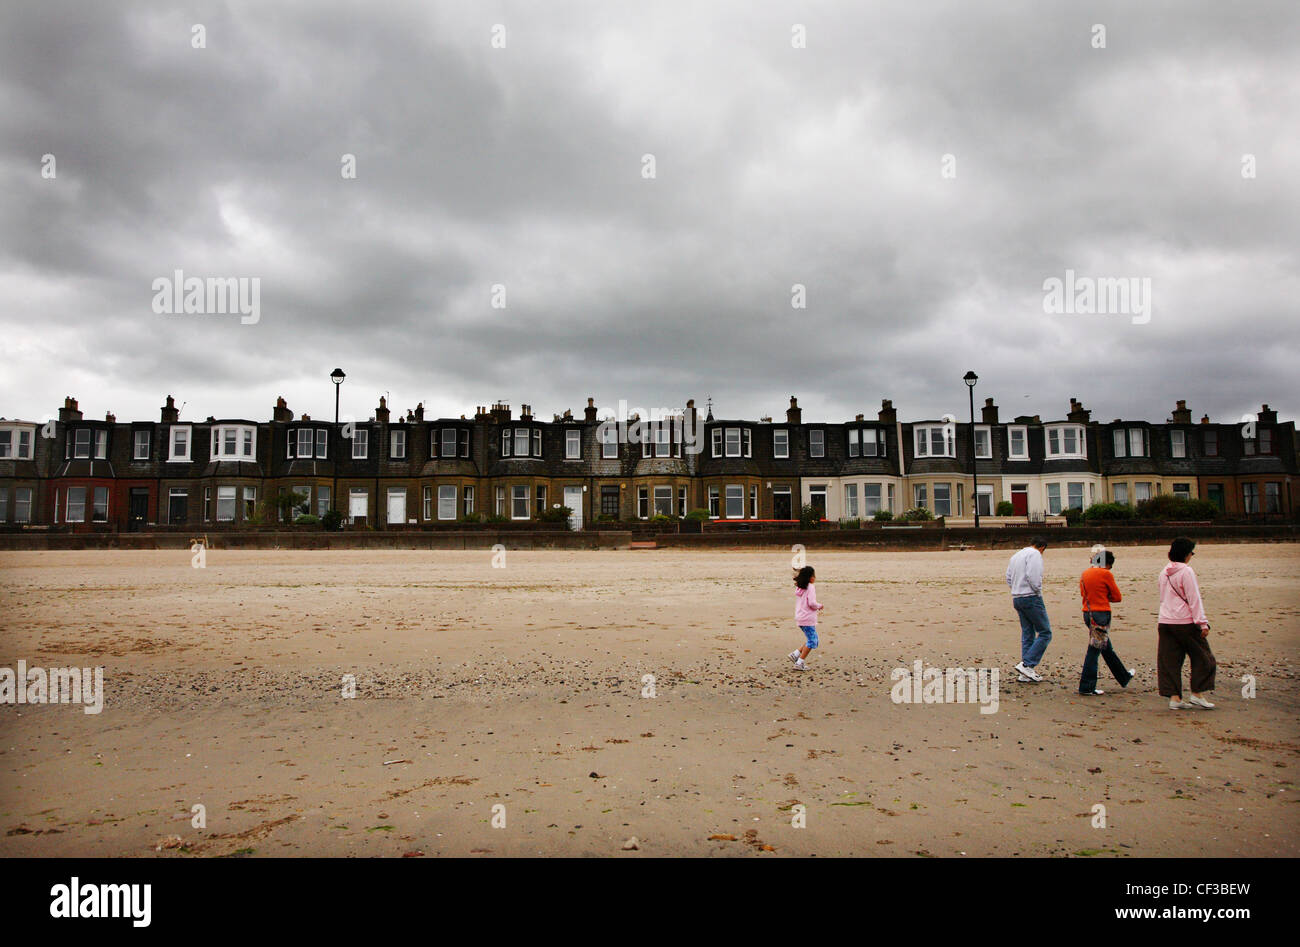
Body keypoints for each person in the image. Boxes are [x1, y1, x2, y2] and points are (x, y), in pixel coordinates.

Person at [1157, 537, 1216, 709]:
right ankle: (1197, 693)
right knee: (1204, 658)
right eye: (1191, 552)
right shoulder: (1186, 571)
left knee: (1170, 660)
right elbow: (1194, 599)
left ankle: (1174, 697)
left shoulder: (1164, 572)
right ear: (1186, 553)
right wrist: (1202, 623)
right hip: (1185, 622)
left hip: (1165, 621)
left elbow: (1163, 598)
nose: (1192, 555)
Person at [1077, 546, 1134, 695]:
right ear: (1107, 563)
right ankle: (1087, 686)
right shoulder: (1105, 574)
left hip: (1087, 612)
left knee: (1105, 648)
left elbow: (1084, 594)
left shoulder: (1085, 573)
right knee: (1095, 650)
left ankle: (1123, 676)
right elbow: (1117, 597)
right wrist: (1104, 596)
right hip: (1101, 613)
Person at [1006, 537, 1051, 682]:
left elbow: (1008, 577)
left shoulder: (1016, 555)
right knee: (1045, 632)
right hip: (1030, 596)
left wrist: (1015, 589)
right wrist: (1037, 591)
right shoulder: (1035, 554)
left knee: (1028, 633)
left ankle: (1025, 672)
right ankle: (1028, 664)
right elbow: (1033, 576)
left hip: (1017, 597)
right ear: (1042, 547)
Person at [788, 565, 825, 671]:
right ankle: (799, 662)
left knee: (811, 639)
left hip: (800, 617)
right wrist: (819, 606)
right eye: (814, 575)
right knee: (813, 641)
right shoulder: (810, 587)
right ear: (810, 577)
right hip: (807, 618)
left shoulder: (800, 587)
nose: (815, 577)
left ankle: (795, 654)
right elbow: (812, 603)